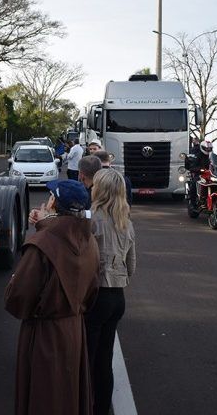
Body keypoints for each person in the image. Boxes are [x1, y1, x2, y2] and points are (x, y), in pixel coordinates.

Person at [5, 179, 100, 415]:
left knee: (45, 396)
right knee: (69, 394)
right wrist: (44, 226)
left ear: (55, 203)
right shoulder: (89, 241)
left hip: (45, 334)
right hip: (74, 328)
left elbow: (18, 298)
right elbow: (91, 291)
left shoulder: (41, 245)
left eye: (49, 197)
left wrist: (42, 230)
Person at [86, 169, 136, 415]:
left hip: (97, 295)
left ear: (99, 189)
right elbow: (132, 265)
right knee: (104, 359)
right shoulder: (126, 222)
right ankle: (102, 409)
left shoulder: (92, 220)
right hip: (118, 297)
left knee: (86, 358)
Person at [187, 140, 212, 208]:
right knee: (194, 184)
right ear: (203, 148)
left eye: (209, 148)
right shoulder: (198, 156)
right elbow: (192, 167)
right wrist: (199, 169)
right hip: (200, 175)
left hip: (210, 175)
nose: (208, 149)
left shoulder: (211, 155)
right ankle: (193, 203)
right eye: (207, 148)